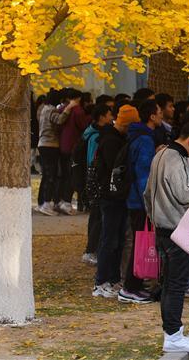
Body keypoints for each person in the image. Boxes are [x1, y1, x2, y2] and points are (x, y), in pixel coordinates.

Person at [144, 119, 189, 353]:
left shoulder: (161, 155)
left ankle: (172, 332)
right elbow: (183, 194)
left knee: (171, 283)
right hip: (175, 230)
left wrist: (154, 216)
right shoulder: (173, 157)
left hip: (163, 227)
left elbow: (147, 193)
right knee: (176, 284)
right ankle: (173, 334)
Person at [119, 100, 161, 303]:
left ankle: (133, 285)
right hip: (138, 201)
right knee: (139, 243)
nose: (161, 115)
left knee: (138, 242)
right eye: (159, 112)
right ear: (152, 116)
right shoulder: (145, 140)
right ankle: (130, 287)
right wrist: (148, 200)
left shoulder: (139, 137)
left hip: (134, 199)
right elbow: (143, 173)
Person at [91, 104, 129, 299]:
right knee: (109, 239)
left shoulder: (115, 138)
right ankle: (101, 281)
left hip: (116, 196)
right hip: (111, 196)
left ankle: (111, 279)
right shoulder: (112, 141)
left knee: (117, 239)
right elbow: (115, 167)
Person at [81, 103, 113, 265]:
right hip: (95, 180)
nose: (112, 117)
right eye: (109, 114)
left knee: (97, 216)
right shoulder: (94, 136)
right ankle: (90, 250)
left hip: (95, 180)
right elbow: (91, 160)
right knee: (96, 216)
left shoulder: (95, 133)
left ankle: (92, 249)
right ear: (101, 117)